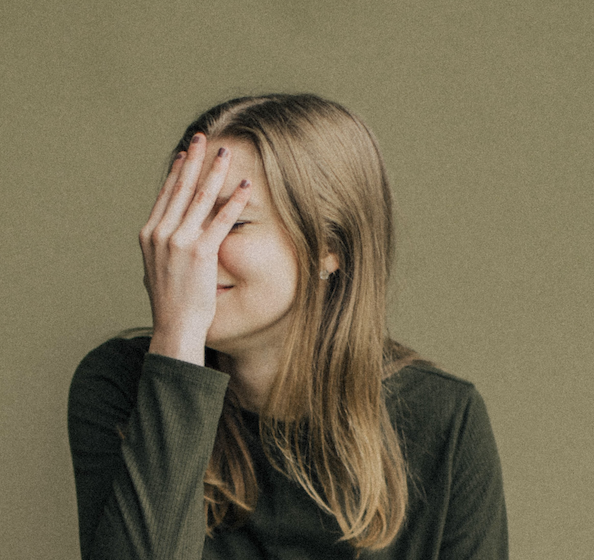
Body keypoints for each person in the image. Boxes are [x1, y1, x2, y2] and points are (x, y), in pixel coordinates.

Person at [68, 94, 508, 559]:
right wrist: (177, 339)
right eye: (183, 215)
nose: (187, 248)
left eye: (232, 221)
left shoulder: (443, 419)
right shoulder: (121, 385)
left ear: (329, 246)